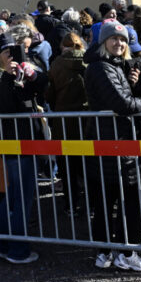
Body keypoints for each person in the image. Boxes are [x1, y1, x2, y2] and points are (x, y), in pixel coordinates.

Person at [83, 22, 141, 272]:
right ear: (103, 42)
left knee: (109, 200)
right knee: (126, 201)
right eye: (114, 39)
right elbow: (123, 105)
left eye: (123, 40)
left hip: (113, 142)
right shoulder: (101, 67)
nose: (119, 43)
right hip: (115, 143)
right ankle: (126, 253)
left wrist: (129, 84)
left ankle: (106, 252)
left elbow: (117, 99)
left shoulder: (109, 65)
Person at [0, 25, 47, 265]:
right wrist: (11, 77)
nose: (12, 55)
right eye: (7, 52)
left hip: (30, 136)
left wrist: (32, 75)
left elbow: (44, 87)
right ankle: (18, 249)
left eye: (15, 50)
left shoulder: (25, 66)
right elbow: (4, 105)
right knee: (22, 196)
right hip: (14, 140)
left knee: (14, 194)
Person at [44, 32, 89, 214]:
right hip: (88, 120)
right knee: (89, 164)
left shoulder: (57, 64)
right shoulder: (89, 60)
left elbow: (50, 94)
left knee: (67, 166)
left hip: (64, 121)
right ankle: (93, 204)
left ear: (63, 46)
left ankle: (71, 205)